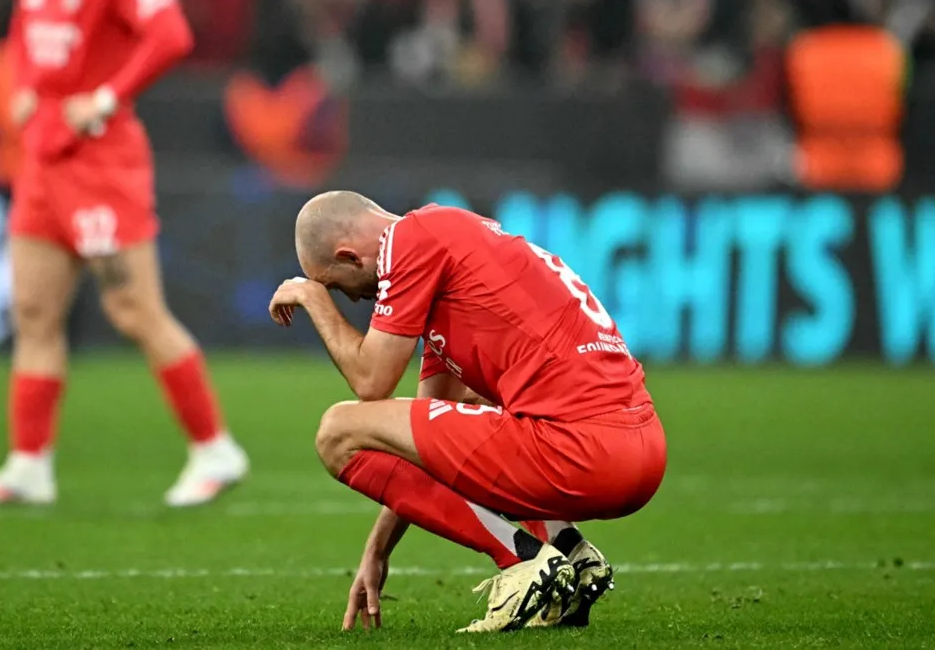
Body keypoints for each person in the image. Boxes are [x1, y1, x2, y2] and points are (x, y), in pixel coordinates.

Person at [0, 0, 248, 508]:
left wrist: (107, 97)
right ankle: (29, 465)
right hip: (45, 161)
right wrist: (27, 87)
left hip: (103, 162)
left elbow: (171, 32)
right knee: (33, 310)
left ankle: (215, 446)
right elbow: (25, 38)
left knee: (134, 309)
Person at [267, 192, 666, 633]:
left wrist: (313, 299)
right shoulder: (456, 253)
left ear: (348, 255)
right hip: (640, 451)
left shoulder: (409, 239)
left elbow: (371, 382)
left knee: (336, 431)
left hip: (583, 451)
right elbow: (420, 450)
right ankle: (568, 550)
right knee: (468, 408)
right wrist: (378, 549)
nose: (354, 301)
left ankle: (523, 562)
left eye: (338, 286)